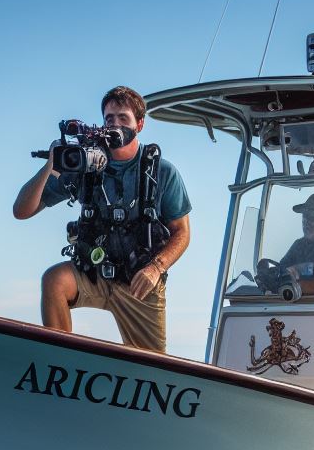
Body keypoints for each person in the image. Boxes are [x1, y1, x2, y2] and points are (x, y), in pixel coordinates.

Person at [13, 85, 191, 353]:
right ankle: (59, 360)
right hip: (94, 273)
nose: (115, 124)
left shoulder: (163, 172)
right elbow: (22, 211)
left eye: (123, 118)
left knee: (152, 364)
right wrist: (52, 163)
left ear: (139, 124)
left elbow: (182, 233)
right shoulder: (84, 163)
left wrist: (156, 268)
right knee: (54, 279)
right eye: (110, 119)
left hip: (139, 284)